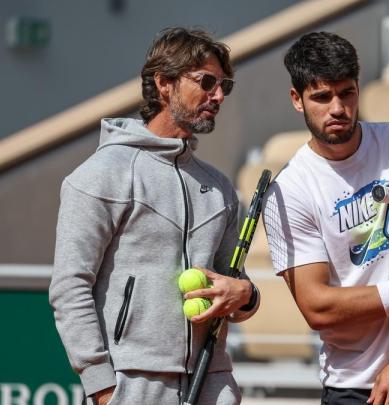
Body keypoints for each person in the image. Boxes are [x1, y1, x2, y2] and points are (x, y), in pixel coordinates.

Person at [49, 27, 260, 405]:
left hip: (211, 383)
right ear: (164, 83)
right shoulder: (101, 174)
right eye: (206, 82)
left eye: (224, 85)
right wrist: (102, 387)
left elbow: (232, 283)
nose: (217, 96)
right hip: (130, 385)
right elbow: (69, 288)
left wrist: (246, 295)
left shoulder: (221, 188)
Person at [262, 32, 389, 405]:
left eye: (347, 92)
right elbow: (318, 307)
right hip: (355, 387)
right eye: (322, 97)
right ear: (297, 100)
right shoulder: (289, 191)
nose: (338, 108)